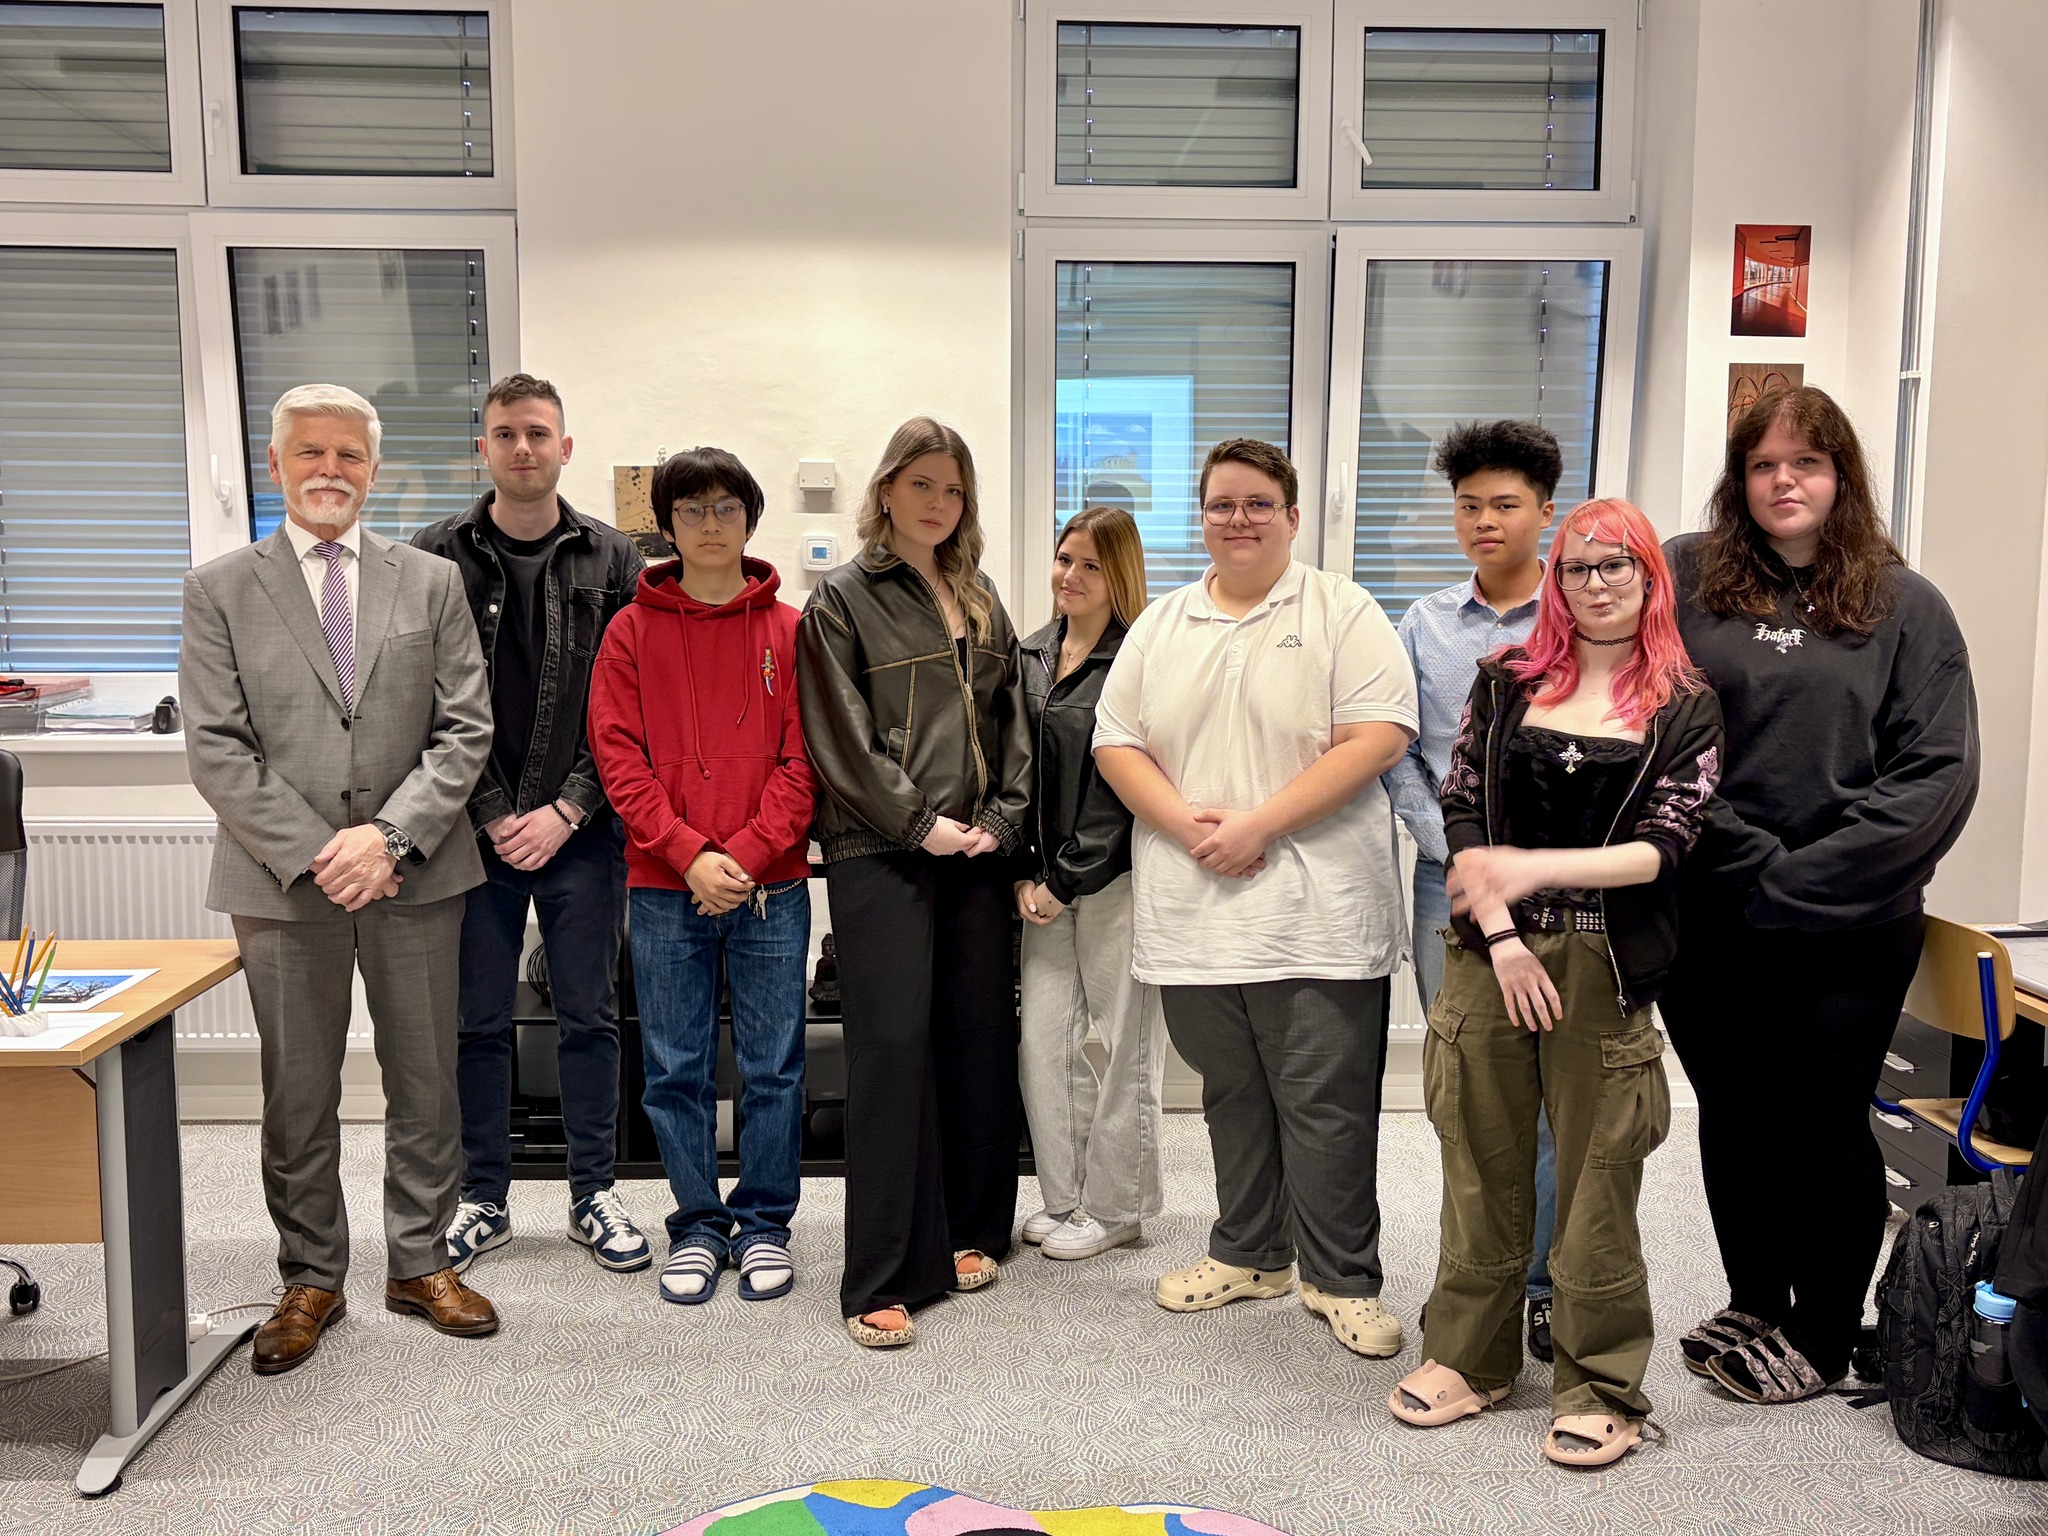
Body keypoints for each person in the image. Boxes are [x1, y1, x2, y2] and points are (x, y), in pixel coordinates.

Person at [1387, 499, 1722, 1468]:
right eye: (1578, 567)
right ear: (1557, 579)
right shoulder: (1506, 681)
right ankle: (1471, 1357)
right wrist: (1501, 933)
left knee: (1596, 1179)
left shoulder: (1683, 702)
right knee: (1478, 1162)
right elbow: (1461, 809)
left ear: (1650, 577)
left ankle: (1598, 1383)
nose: (1596, 583)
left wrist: (1535, 868)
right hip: (1491, 956)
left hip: (1604, 964)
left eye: (1617, 565)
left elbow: (1664, 847)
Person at [1662, 385, 1979, 1403]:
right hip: (1709, 906)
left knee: (1821, 1118)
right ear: (1738, 479)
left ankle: (1825, 1331)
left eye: (1805, 462)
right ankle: (1756, 1299)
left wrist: (1803, 876)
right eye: (1761, 465)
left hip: (1851, 919)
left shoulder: (1905, 604)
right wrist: (1744, 861)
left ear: (1840, 475)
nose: (1782, 481)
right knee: (1732, 1111)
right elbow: (1651, 728)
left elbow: (1936, 773)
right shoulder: (1686, 579)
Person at [181, 384, 497, 1375]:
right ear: (275, 464)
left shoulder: (431, 582)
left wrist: (388, 840)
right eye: (310, 452)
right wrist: (330, 851)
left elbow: (466, 727)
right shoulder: (219, 588)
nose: (331, 470)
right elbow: (217, 747)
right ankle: (311, 1275)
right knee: (299, 1088)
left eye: (349, 454)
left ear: (373, 468)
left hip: (416, 876)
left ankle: (421, 1261)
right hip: (283, 883)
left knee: (425, 1080)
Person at [1093, 437, 1418, 1358]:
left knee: (1326, 1104)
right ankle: (1250, 1253)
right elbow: (1116, 741)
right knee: (1230, 1094)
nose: (1239, 519)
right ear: (1201, 518)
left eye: (1258, 504)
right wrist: (1193, 828)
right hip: (1194, 909)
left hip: (1318, 911)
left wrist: (1259, 826)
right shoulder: (1163, 623)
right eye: (1222, 505)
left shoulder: (1341, 609)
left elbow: (1379, 736)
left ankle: (1343, 1279)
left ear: (1293, 516)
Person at [797, 417, 1033, 1348]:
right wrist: (919, 824)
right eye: (923, 484)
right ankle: (884, 1273)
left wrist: (1003, 820)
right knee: (893, 1052)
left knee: (976, 1039)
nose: (939, 503)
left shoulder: (980, 595)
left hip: (975, 848)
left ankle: (970, 1228)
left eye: (954, 489)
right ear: (887, 489)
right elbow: (839, 736)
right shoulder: (842, 599)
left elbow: (1014, 723)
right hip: (883, 847)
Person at [412, 374, 648, 1278]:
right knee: (475, 1021)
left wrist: (568, 808)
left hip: (582, 833)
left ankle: (594, 1194)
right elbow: (424, 704)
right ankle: (484, 1197)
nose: (522, 448)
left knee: (590, 1016)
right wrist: (494, 812)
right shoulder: (431, 557)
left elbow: (628, 705)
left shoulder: (615, 559)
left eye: (538, 433)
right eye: (506, 433)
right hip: (468, 833)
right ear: (484, 447)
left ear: (564, 448)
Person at [588, 446, 815, 1306]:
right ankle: (696, 1225)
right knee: (674, 1067)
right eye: (691, 509)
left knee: (773, 1067)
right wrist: (687, 853)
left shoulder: (792, 630)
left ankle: (763, 1225)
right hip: (663, 885)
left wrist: (746, 855)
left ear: (750, 519)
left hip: (771, 886)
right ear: (667, 526)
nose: (710, 524)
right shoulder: (630, 631)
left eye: (726, 508)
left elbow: (807, 758)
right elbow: (617, 757)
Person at [1385, 420, 1563, 1362]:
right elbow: (1398, 753)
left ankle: (1541, 1283)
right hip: (1446, 885)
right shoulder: (1423, 624)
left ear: (1545, 510)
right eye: (1469, 506)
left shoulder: (1581, 613)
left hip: (1563, 887)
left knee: (1554, 1099)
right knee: (1469, 1092)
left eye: (1504, 505)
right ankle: (1476, 1274)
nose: (1485, 521)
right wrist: (1453, 852)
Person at [1015, 505, 1166, 1262]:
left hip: (1114, 880)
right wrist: (1023, 871)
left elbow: (1123, 785)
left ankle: (1118, 1207)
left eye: (1091, 565)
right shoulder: (1029, 653)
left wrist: (1067, 878)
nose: (1070, 575)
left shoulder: (1138, 657)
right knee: (1043, 1044)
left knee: (1122, 1046)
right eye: (1063, 558)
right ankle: (1065, 1197)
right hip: (1040, 884)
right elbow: (1009, 769)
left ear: (1120, 574)